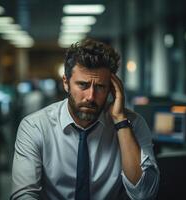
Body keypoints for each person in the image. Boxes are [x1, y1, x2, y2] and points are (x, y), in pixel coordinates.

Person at [10, 39, 159, 200]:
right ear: (66, 83)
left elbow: (144, 194)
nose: (91, 97)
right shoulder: (35, 126)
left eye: (101, 87)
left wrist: (121, 120)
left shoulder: (133, 124)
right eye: (83, 85)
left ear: (112, 87)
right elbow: (23, 196)